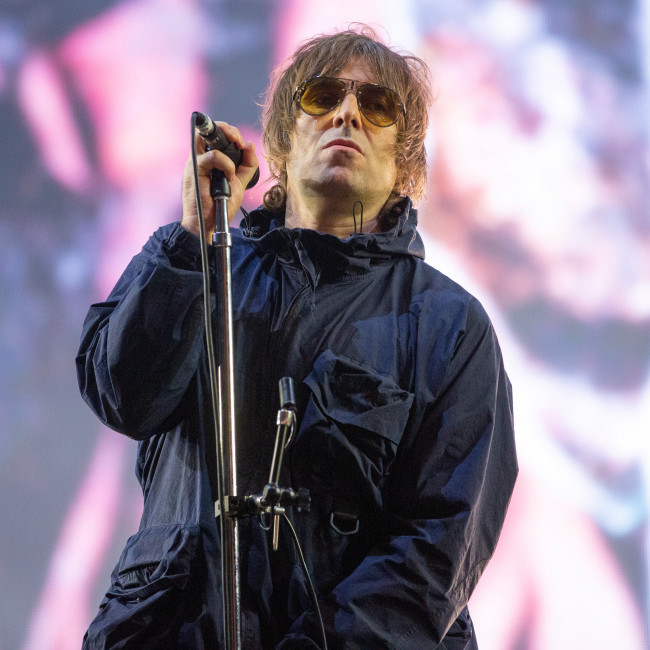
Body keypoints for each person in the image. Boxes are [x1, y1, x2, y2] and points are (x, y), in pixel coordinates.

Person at [76, 25, 517, 649]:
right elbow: (123, 396)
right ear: (282, 141)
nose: (347, 114)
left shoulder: (450, 325)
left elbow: (438, 544)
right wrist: (193, 240)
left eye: (377, 106)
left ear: (405, 163)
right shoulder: (199, 262)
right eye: (323, 97)